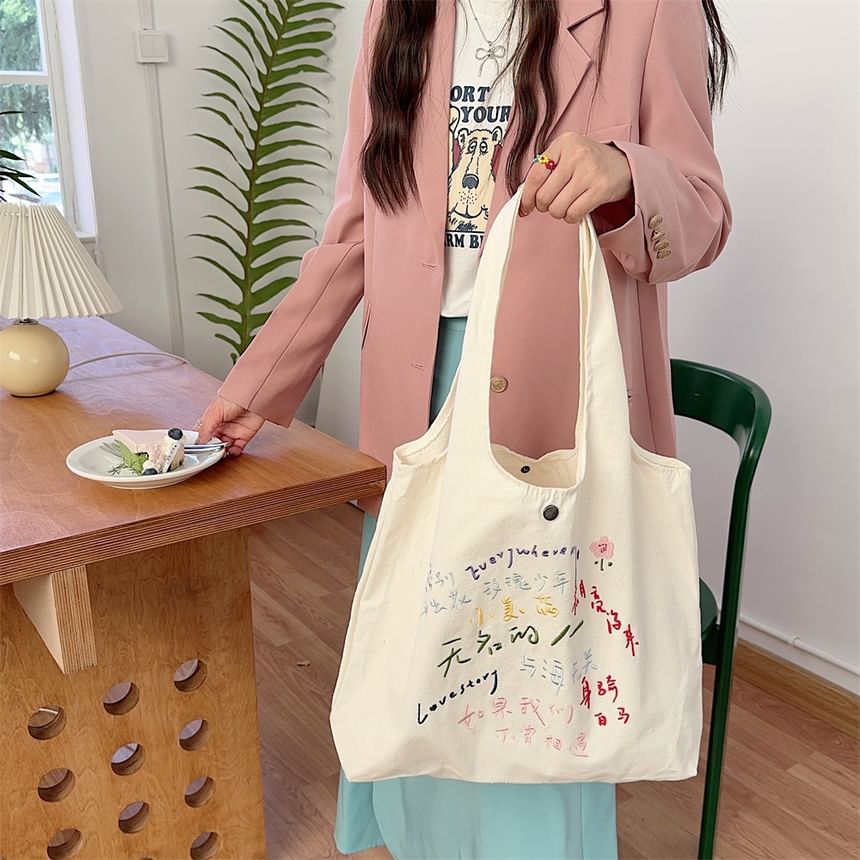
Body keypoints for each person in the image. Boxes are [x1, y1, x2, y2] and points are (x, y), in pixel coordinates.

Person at [196, 0, 734, 856]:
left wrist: (626, 174)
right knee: (424, 660)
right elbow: (358, 226)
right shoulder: (398, 13)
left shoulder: (643, 9)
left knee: (528, 674)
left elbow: (702, 217)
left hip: (554, 399)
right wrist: (263, 382)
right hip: (413, 396)